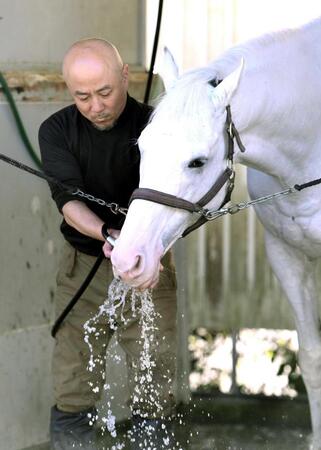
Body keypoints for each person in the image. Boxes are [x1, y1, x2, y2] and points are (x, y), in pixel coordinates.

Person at [39, 39, 178, 450]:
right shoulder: (57, 130)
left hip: (150, 265)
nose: (95, 105)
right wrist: (108, 234)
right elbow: (69, 204)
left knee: (156, 388)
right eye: (82, 96)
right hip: (84, 266)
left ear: (124, 77)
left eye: (104, 92)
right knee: (72, 384)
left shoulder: (159, 126)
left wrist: (138, 243)